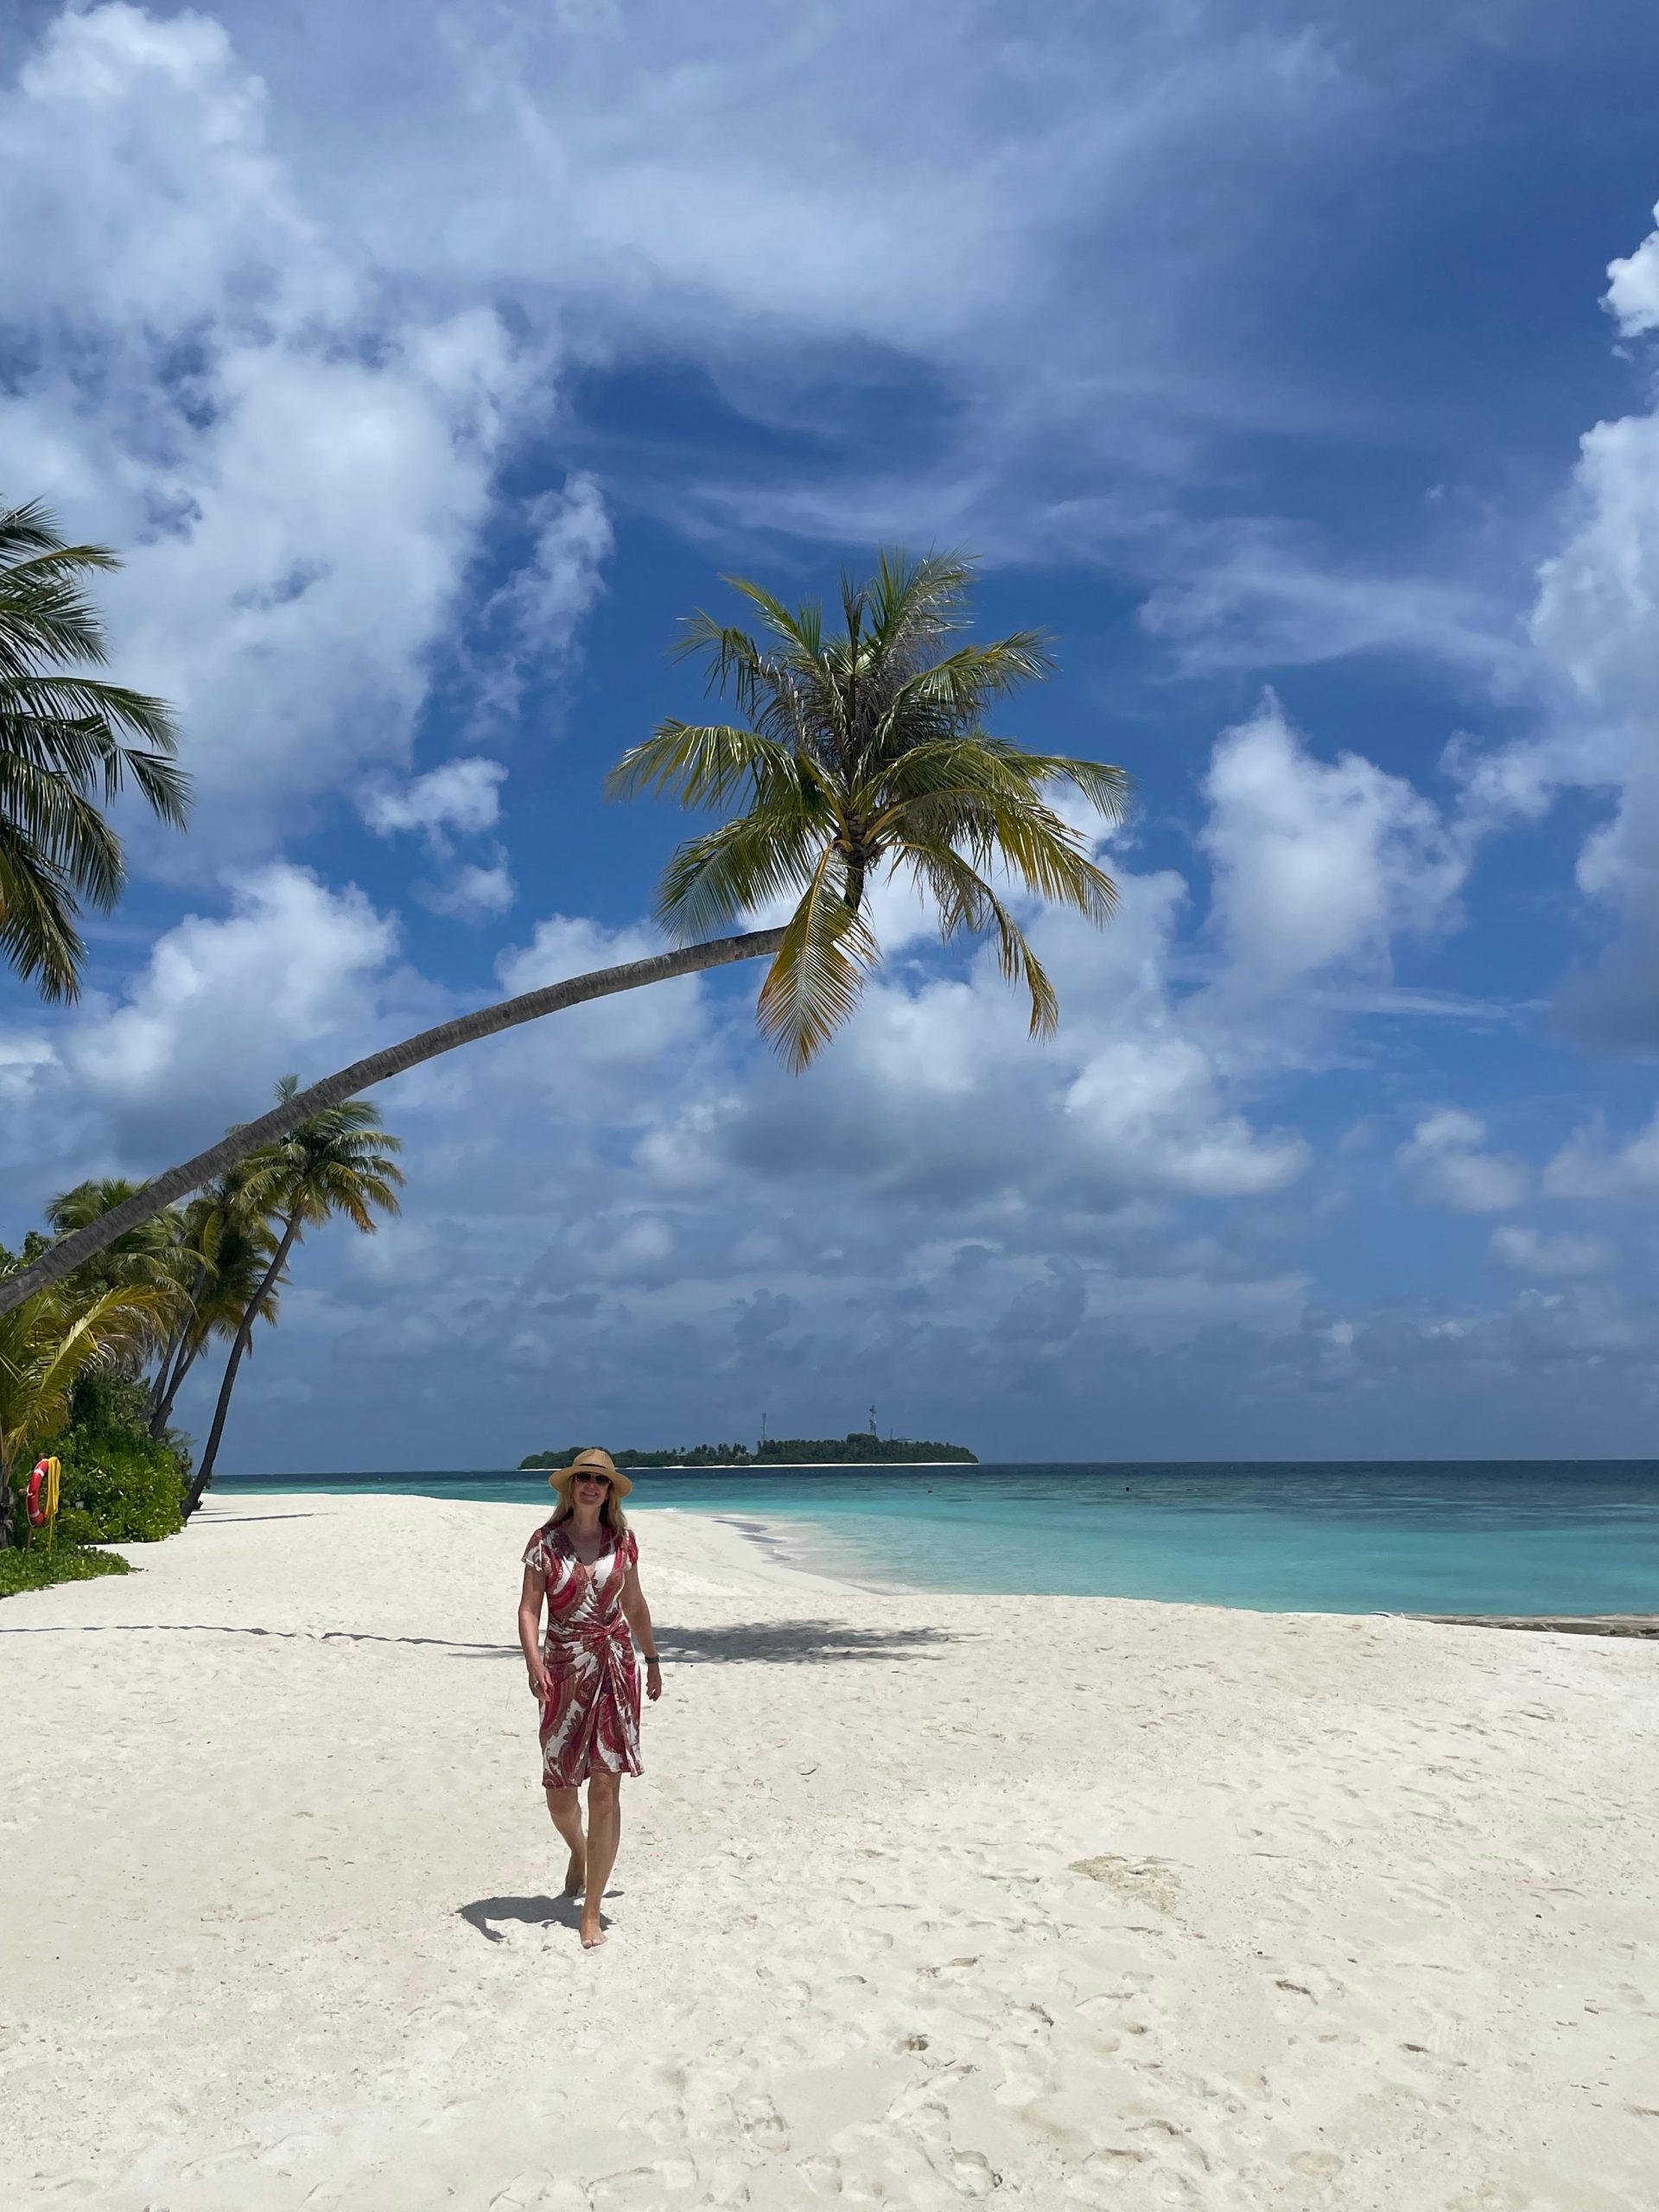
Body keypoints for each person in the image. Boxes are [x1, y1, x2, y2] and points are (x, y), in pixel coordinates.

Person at [517, 1446, 662, 1948]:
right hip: (562, 1670)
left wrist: (652, 1658)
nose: (591, 1486)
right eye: (583, 1478)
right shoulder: (545, 1542)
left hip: (615, 1666)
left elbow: (635, 1604)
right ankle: (579, 1851)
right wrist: (533, 1661)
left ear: (609, 1492)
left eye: (600, 1481)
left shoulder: (623, 1541)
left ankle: (591, 1909)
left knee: (605, 1788)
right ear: (571, 1486)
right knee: (560, 1795)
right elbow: (529, 1608)